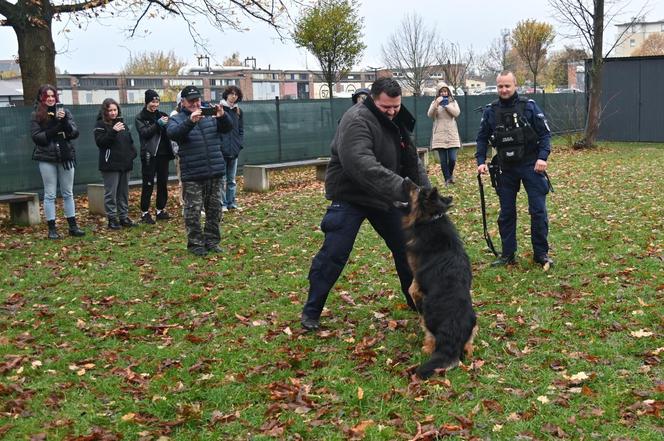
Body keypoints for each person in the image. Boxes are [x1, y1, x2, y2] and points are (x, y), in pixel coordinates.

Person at [300, 77, 431, 331]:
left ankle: (419, 304)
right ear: (373, 99)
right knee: (334, 253)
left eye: (396, 106)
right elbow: (362, 165)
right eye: (386, 108)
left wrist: (424, 193)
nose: (392, 112)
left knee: (407, 250)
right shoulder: (356, 120)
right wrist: (405, 189)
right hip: (352, 195)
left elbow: (410, 158)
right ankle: (312, 310)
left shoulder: (397, 117)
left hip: (384, 196)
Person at [475, 70, 554, 268]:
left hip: (531, 165)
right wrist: (481, 161)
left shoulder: (529, 107)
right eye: (500, 86)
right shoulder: (490, 111)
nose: (503, 89)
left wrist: (542, 158)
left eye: (507, 86)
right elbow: (482, 137)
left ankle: (541, 254)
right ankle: (508, 254)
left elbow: (545, 134)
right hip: (505, 167)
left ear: (515, 85)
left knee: (538, 211)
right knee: (506, 213)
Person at [167, 85, 233, 256]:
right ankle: (196, 244)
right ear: (183, 102)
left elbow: (227, 128)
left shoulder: (208, 114)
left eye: (197, 100)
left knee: (215, 210)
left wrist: (222, 116)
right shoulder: (177, 118)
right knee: (193, 211)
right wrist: (190, 121)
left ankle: (212, 241)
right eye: (191, 101)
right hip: (193, 174)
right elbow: (173, 134)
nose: (195, 104)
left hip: (214, 170)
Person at [30, 84, 85, 239]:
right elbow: (37, 137)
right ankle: (52, 229)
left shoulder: (64, 112)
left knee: (68, 192)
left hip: (65, 157)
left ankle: (73, 226)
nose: (50, 99)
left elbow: (74, 133)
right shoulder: (37, 114)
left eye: (53, 96)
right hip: (47, 158)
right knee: (50, 194)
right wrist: (53, 130)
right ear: (42, 98)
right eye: (47, 96)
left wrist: (64, 122)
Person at [93, 98, 137, 230]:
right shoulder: (100, 125)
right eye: (110, 110)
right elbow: (101, 143)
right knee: (111, 193)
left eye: (115, 110)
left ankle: (124, 217)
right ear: (105, 111)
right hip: (110, 165)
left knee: (123, 192)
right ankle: (112, 218)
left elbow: (128, 141)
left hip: (125, 164)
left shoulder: (122, 124)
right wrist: (113, 131)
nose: (113, 113)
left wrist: (132, 154)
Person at [135, 89, 175, 224]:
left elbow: (170, 131)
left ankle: (160, 210)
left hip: (163, 154)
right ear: (147, 102)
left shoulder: (162, 115)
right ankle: (144, 213)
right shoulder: (140, 117)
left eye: (157, 101)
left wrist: (167, 124)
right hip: (149, 155)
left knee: (163, 183)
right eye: (152, 101)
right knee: (148, 183)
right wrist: (157, 124)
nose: (155, 104)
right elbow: (144, 133)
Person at [427, 83, 461, 185]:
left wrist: (446, 106)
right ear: (438, 93)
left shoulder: (453, 102)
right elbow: (430, 115)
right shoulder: (434, 102)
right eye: (441, 91)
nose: (443, 93)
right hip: (439, 135)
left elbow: (456, 113)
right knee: (443, 160)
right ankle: (447, 179)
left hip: (452, 134)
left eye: (445, 91)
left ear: (448, 92)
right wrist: (436, 105)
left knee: (452, 158)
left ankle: (450, 175)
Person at [219, 85, 244, 211]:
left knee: (232, 180)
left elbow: (240, 130)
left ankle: (231, 203)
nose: (233, 96)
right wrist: (220, 144)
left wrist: (239, 144)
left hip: (234, 150)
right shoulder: (220, 109)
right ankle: (223, 204)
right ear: (226, 95)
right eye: (231, 94)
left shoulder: (238, 111)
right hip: (222, 150)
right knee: (222, 179)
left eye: (236, 94)